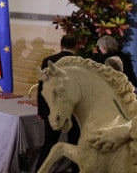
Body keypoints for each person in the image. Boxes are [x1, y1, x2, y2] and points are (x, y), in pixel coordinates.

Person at [37, 34, 81, 171]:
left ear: (61, 46)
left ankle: (40, 170)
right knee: (75, 144)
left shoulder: (48, 61)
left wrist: (41, 110)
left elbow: (42, 87)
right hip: (73, 111)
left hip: (52, 109)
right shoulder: (80, 62)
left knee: (49, 144)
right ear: (76, 46)